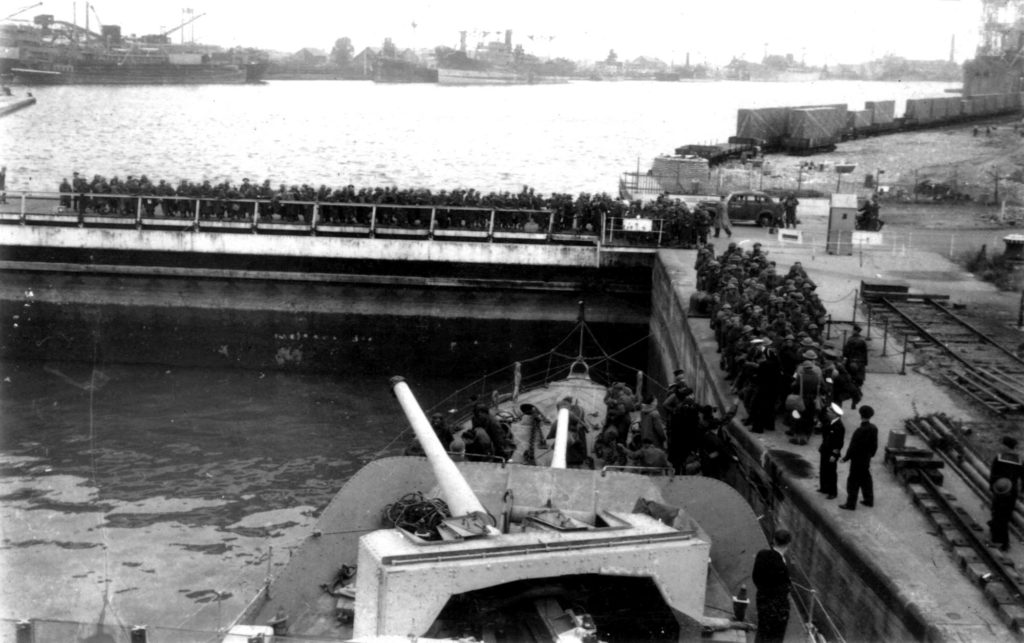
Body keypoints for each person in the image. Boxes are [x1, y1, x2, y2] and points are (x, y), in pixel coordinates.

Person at [752, 529, 793, 643]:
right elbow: (784, 589)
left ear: (774, 540)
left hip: (762, 600)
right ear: (788, 544)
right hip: (777, 608)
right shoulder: (781, 565)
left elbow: (755, 577)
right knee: (775, 637)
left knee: (762, 631)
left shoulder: (761, 555)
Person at [839, 405, 878, 510]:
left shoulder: (859, 431)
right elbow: (874, 445)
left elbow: (853, 447)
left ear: (861, 415)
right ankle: (868, 500)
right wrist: (871, 455)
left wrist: (845, 458)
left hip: (857, 460)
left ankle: (850, 504)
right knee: (866, 479)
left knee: (853, 482)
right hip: (866, 459)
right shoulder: (874, 429)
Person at [988, 436, 1023, 551]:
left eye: (1002, 444)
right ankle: (1003, 542)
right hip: (1012, 492)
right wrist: (1021, 491)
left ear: (1005, 446)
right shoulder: (1019, 460)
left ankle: (998, 542)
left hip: (1001, 490)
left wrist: (993, 488)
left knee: (998, 515)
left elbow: (993, 476)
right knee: (1005, 517)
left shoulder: (999, 458)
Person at [817, 403, 846, 499]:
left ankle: (832, 492)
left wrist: (834, 454)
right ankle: (824, 488)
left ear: (835, 414)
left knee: (831, 472)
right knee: (823, 469)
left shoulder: (839, 426)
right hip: (825, 450)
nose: (827, 413)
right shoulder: (830, 422)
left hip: (831, 452)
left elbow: (839, 442)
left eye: (829, 412)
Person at [842, 324, 868, 393]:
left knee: (849, 374)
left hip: (851, 359)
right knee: (859, 376)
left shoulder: (850, 339)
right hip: (860, 361)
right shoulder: (862, 340)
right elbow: (865, 352)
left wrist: (844, 358)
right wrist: (865, 362)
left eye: (853, 330)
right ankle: (858, 389)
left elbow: (846, 351)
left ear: (855, 331)